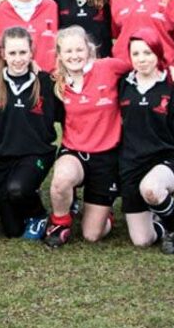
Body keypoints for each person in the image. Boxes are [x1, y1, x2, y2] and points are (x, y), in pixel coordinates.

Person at [43, 26, 131, 247]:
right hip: (75, 151)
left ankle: (104, 212)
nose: (74, 56)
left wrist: (171, 71)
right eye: (68, 51)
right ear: (60, 55)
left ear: (89, 49)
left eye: (79, 50)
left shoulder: (108, 67)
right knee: (61, 180)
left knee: (92, 235)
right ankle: (60, 222)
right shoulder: (57, 81)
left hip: (106, 156)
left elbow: (142, 64)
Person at [118, 30, 174, 254]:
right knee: (142, 240)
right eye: (136, 54)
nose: (142, 59)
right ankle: (166, 221)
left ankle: (172, 229)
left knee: (151, 189)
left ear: (158, 53)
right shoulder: (123, 84)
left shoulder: (173, 86)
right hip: (131, 164)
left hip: (164, 160)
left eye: (148, 52)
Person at [0, 28, 58, 240]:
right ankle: (27, 193)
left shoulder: (46, 82)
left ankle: (38, 214)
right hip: (1, 157)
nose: (18, 59)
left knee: (18, 189)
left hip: (36, 153)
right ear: (3, 54)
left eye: (23, 53)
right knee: (13, 231)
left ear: (31, 52)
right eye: (13, 53)